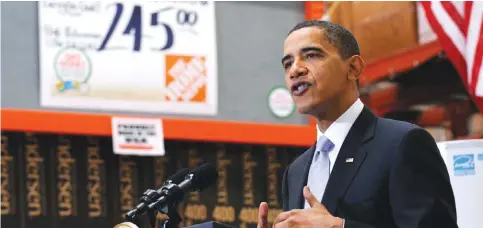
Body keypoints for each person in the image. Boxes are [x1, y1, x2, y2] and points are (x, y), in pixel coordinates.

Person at [257, 20, 458, 228]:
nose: (295, 70)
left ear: (353, 68)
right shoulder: (295, 172)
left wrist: (340, 226)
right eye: (287, 63)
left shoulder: (403, 143)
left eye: (311, 55)